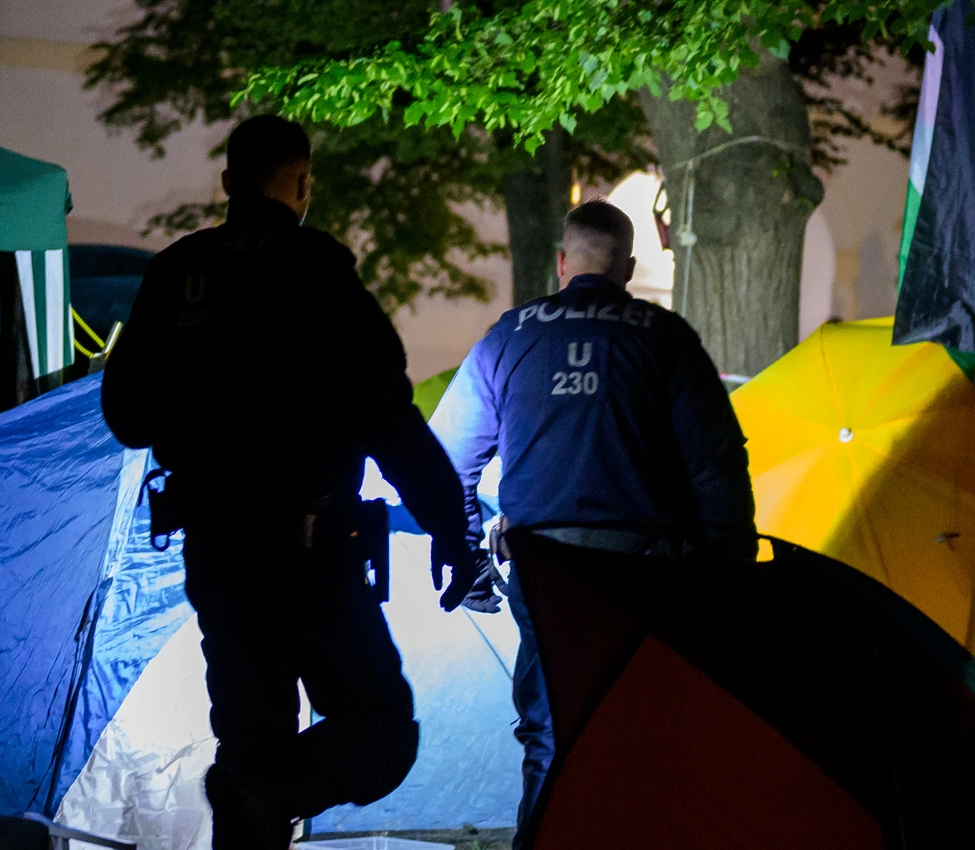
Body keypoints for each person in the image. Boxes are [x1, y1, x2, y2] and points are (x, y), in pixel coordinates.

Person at [100, 115, 484, 850]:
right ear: (303, 183)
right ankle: (264, 791)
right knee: (380, 734)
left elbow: (127, 416)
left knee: (250, 744)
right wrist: (449, 527)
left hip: (216, 554)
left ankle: (254, 791)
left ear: (227, 183)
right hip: (313, 557)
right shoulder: (321, 276)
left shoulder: (179, 275)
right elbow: (390, 422)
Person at [428, 200, 756, 825]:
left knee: (549, 730)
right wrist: (725, 575)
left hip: (542, 567)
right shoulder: (664, 337)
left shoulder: (510, 337)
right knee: (638, 725)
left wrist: (467, 555)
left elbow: (449, 460)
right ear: (628, 267)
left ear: (561, 263)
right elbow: (717, 467)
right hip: (646, 569)